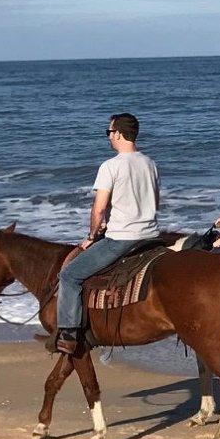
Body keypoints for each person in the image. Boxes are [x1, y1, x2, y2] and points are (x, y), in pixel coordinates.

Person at [51, 113, 162, 356]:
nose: (109, 137)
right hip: (152, 235)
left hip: (122, 238)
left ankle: (69, 334)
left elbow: (99, 208)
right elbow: (153, 201)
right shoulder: (150, 163)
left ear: (119, 134)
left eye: (109, 132)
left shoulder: (110, 166)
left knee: (69, 275)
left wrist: (92, 234)